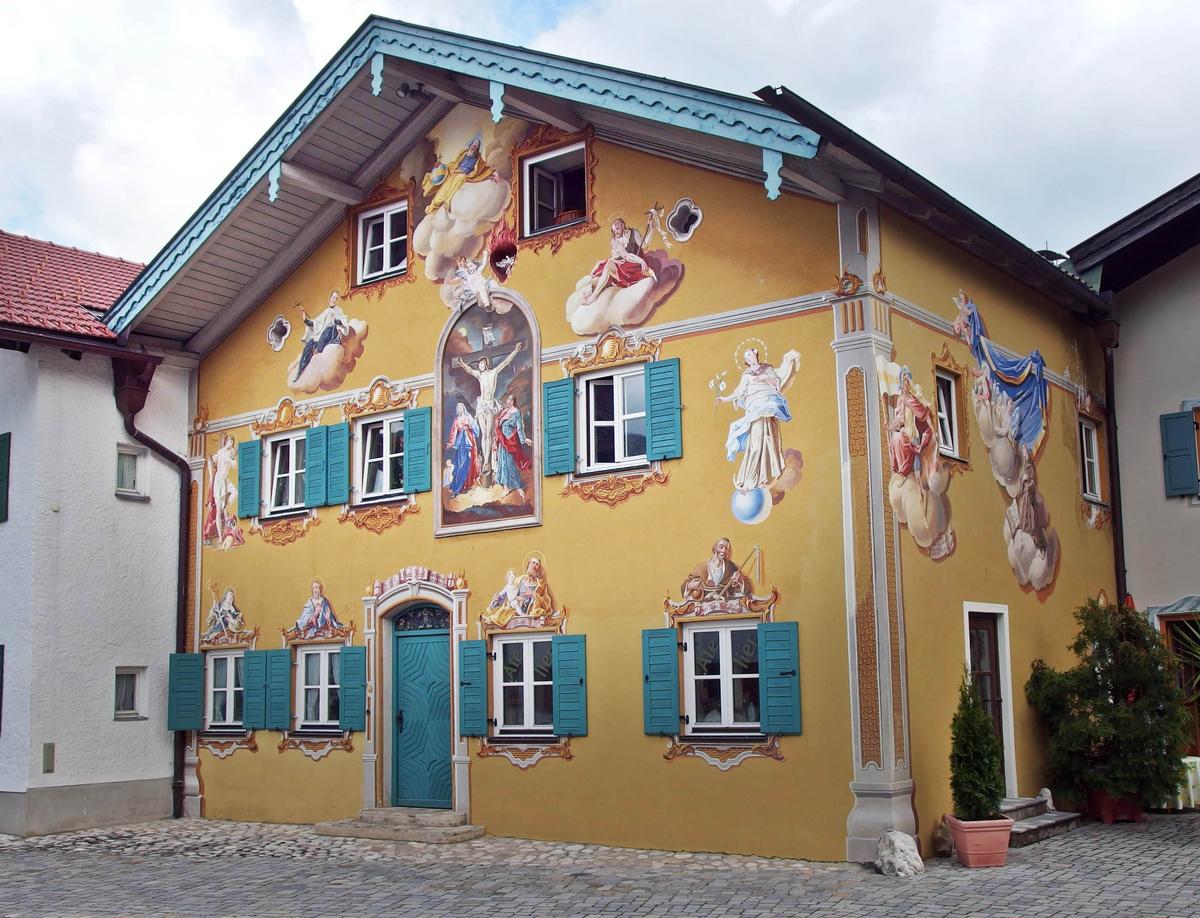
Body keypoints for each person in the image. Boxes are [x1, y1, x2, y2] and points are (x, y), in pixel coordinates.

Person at [716, 348, 801, 491]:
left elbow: (776, 384)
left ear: (755, 354)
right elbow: (739, 391)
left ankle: (764, 478)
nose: (747, 358)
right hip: (755, 410)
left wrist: (765, 378)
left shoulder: (768, 368)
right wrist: (724, 399)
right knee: (755, 444)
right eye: (745, 357)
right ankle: (749, 480)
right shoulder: (746, 375)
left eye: (749, 354)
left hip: (769, 407)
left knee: (770, 442)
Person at [455, 342, 523, 475]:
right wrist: (462, 363)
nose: (479, 366)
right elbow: (469, 370)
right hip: (481, 405)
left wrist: (515, 350)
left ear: (485, 364)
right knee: (483, 433)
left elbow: (505, 362)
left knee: (489, 433)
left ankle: (487, 461)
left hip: (490, 404)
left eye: (481, 364)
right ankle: (486, 462)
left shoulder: (493, 373)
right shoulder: (479, 375)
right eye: (478, 365)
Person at [581, 218, 657, 305]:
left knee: (608, 266)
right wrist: (641, 260)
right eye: (614, 225)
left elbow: (644, 245)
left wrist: (652, 228)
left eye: (618, 222)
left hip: (636, 267)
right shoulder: (614, 242)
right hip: (625, 267)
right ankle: (592, 294)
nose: (616, 224)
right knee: (605, 270)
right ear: (613, 231)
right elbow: (626, 256)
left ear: (623, 224)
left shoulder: (633, 232)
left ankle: (593, 296)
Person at [422, 135, 501, 214]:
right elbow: (453, 164)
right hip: (453, 174)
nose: (474, 148)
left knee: (461, 177)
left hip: (462, 176)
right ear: (470, 145)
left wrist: (495, 172)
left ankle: (447, 202)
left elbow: (485, 167)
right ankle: (432, 206)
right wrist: (440, 166)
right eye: (474, 146)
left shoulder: (478, 160)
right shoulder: (463, 154)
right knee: (439, 198)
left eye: (477, 147)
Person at [888, 367, 935, 487]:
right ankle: (904, 474)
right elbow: (899, 419)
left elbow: (923, 413)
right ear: (900, 382)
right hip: (905, 431)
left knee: (916, 455)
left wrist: (933, 430)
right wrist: (890, 427)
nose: (906, 383)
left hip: (913, 432)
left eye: (907, 380)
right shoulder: (900, 400)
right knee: (896, 440)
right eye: (904, 380)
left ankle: (918, 480)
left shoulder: (913, 399)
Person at [293, 292, 349, 382]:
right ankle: (300, 371)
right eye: (333, 297)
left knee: (323, 339)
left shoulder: (339, 310)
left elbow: (344, 321)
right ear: (330, 298)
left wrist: (336, 320)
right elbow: (314, 323)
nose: (334, 300)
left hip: (331, 332)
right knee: (307, 348)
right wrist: (304, 316)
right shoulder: (326, 311)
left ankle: (316, 368)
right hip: (320, 334)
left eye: (336, 298)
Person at [682, 538, 752, 601]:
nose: (724, 551)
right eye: (721, 547)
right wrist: (689, 586)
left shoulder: (730, 566)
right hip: (704, 602)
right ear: (715, 547)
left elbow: (747, 588)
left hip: (724, 602)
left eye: (727, 548)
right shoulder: (701, 567)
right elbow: (685, 584)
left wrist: (741, 582)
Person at [493, 393, 532, 500]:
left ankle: (518, 486)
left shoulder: (517, 412)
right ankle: (506, 486)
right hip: (502, 440)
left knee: (509, 462)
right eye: (507, 400)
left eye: (510, 400)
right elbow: (499, 423)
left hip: (509, 439)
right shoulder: (505, 411)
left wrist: (524, 439)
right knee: (503, 462)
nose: (508, 401)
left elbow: (519, 427)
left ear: (514, 401)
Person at [203, 435, 237, 544]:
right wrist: (210, 478)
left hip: (225, 479)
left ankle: (226, 506)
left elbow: (234, 465)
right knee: (218, 511)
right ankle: (221, 538)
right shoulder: (221, 452)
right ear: (226, 441)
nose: (231, 443)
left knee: (235, 492)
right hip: (218, 481)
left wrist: (232, 461)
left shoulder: (231, 452)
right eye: (229, 441)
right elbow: (211, 460)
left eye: (232, 441)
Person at [445, 402, 481, 496]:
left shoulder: (468, 417)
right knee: (461, 465)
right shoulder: (456, 420)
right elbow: (453, 433)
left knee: (468, 463)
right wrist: (451, 443)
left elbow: (476, 429)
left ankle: (464, 486)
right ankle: (458, 486)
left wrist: (469, 426)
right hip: (461, 444)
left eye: (460, 408)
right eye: (457, 408)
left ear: (463, 408)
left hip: (470, 442)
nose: (459, 409)